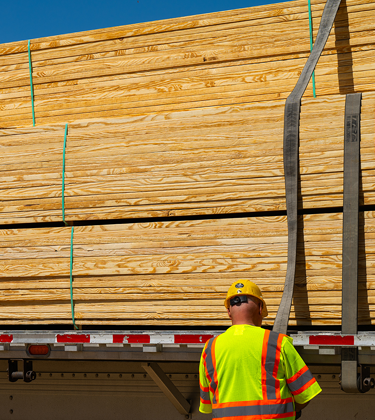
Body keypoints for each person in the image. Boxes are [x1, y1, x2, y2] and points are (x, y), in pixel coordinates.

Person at [199, 279, 321, 419]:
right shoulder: (279, 343)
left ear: (228, 311)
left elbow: (207, 404)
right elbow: (304, 394)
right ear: (261, 308)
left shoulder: (209, 348)